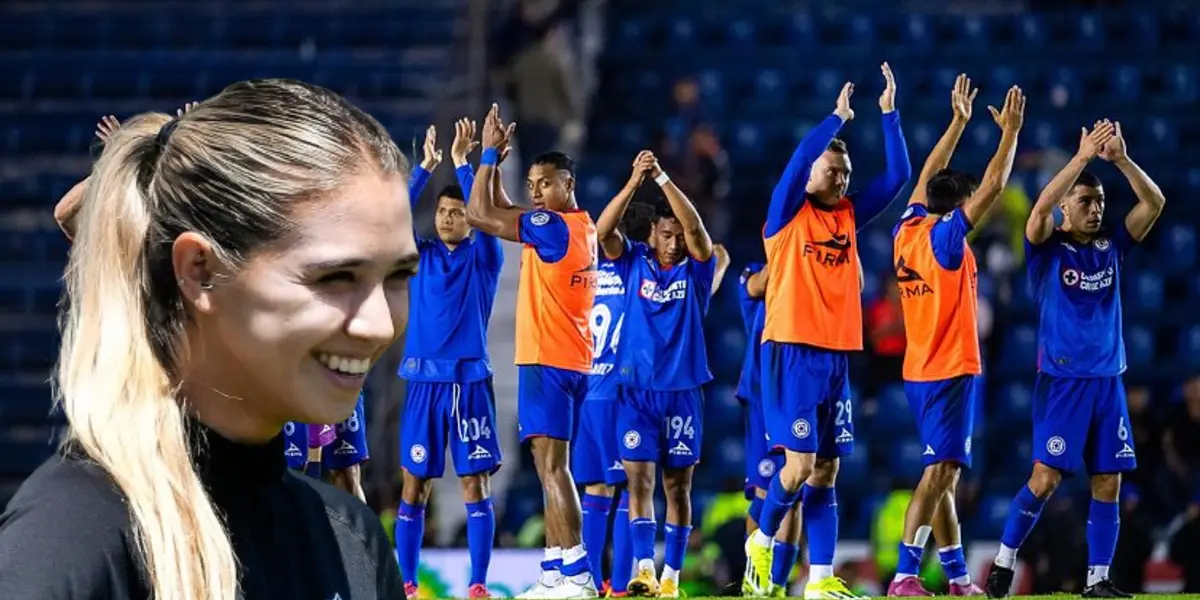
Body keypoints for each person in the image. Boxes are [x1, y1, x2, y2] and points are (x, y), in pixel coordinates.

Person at [0, 79, 412, 598]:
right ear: (198, 270)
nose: (379, 324)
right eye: (334, 278)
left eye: (399, 275)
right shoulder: (71, 538)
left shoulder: (351, 542)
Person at [746, 63, 911, 600]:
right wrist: (836, 120)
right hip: (793, 350)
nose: (839, 179)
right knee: (795, 469)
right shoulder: (785, 217)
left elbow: (897, 178)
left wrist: (889, 115)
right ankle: (761, 538)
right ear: (811, 176)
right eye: (830, 170)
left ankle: (819, 582)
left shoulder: (846, 216)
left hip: (837, 356)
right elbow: (797, 161)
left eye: (844, 172)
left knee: (827, 471)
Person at [985, 117, 1165, 599]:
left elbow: (1154, 203)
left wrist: (1120, 160)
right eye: (1085, 201)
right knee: (1044, 480)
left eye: (1100, 202)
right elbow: (1039, 209)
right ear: (1066, 206)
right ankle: (1004, 562)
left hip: (1109, 381)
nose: (1095, 209)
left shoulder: (1113, 247)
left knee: (1108, 481)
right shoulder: (1047, 249)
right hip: (1064, 383)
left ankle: (1097, 580)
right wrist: (1081, 159)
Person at [888, 76, 1024, 597]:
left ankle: (958, 580)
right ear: (957, 206)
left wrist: (959, 122)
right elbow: (991, 187)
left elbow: (925, 175)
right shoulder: (945, 238)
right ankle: (904, 576)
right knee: (941, 475)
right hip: (949, 368)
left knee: (942, 473)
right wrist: (1008, 134)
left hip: (921, 369)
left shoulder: (909, 228)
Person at [465, 104, 598, 599]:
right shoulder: (579, 227)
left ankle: (578, 572)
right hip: (570, 355)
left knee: (553, 468)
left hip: (549, 356)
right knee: (549, 467)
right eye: (534, 185)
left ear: (568, 183)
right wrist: (497, 164)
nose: (536, 191)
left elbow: (480, 214)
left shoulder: (553, 226)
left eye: (545, 183)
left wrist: (486, 156)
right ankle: (555, 572)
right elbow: (502, 209)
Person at [595, 150, 729, 598]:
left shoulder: (698, 270)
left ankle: (671, 577)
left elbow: (697, 231)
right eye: (665, 234)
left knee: (677, 486)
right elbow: (601, 232)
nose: (674, 242)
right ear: (652, 232)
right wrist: (635, 180)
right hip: (635, 391)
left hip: (683, 392)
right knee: (639, 482)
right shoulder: (632, 261)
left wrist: (663, 176)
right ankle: (644, 570)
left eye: (678, 236)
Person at [393, 119, 507, 599]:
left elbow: (485, 214)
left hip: (467, 386)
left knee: (473, 486)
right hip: (422, 385)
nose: (446, 218)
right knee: (413, 488)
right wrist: (422, 169)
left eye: (457, 212)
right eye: (441, 212)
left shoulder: (484, 259)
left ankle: (478, 584)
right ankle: (408, 583)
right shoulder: (418, 255)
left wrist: (468, 164)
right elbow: (390, 218)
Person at [573, 201, 654, 597]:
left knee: (608, 489)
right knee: (612, 488)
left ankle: (606, 583)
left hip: (603, 389)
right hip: (605, 390)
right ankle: (610, 583)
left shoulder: (611, 265)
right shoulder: (625, 262)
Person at [736, 262, 803, 598]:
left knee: (796, 495)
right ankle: (754, 579)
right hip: (763, 396)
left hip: (797, 391)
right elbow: (756, 286)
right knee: (764, 492)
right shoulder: (754, 272)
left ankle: (777, 583)